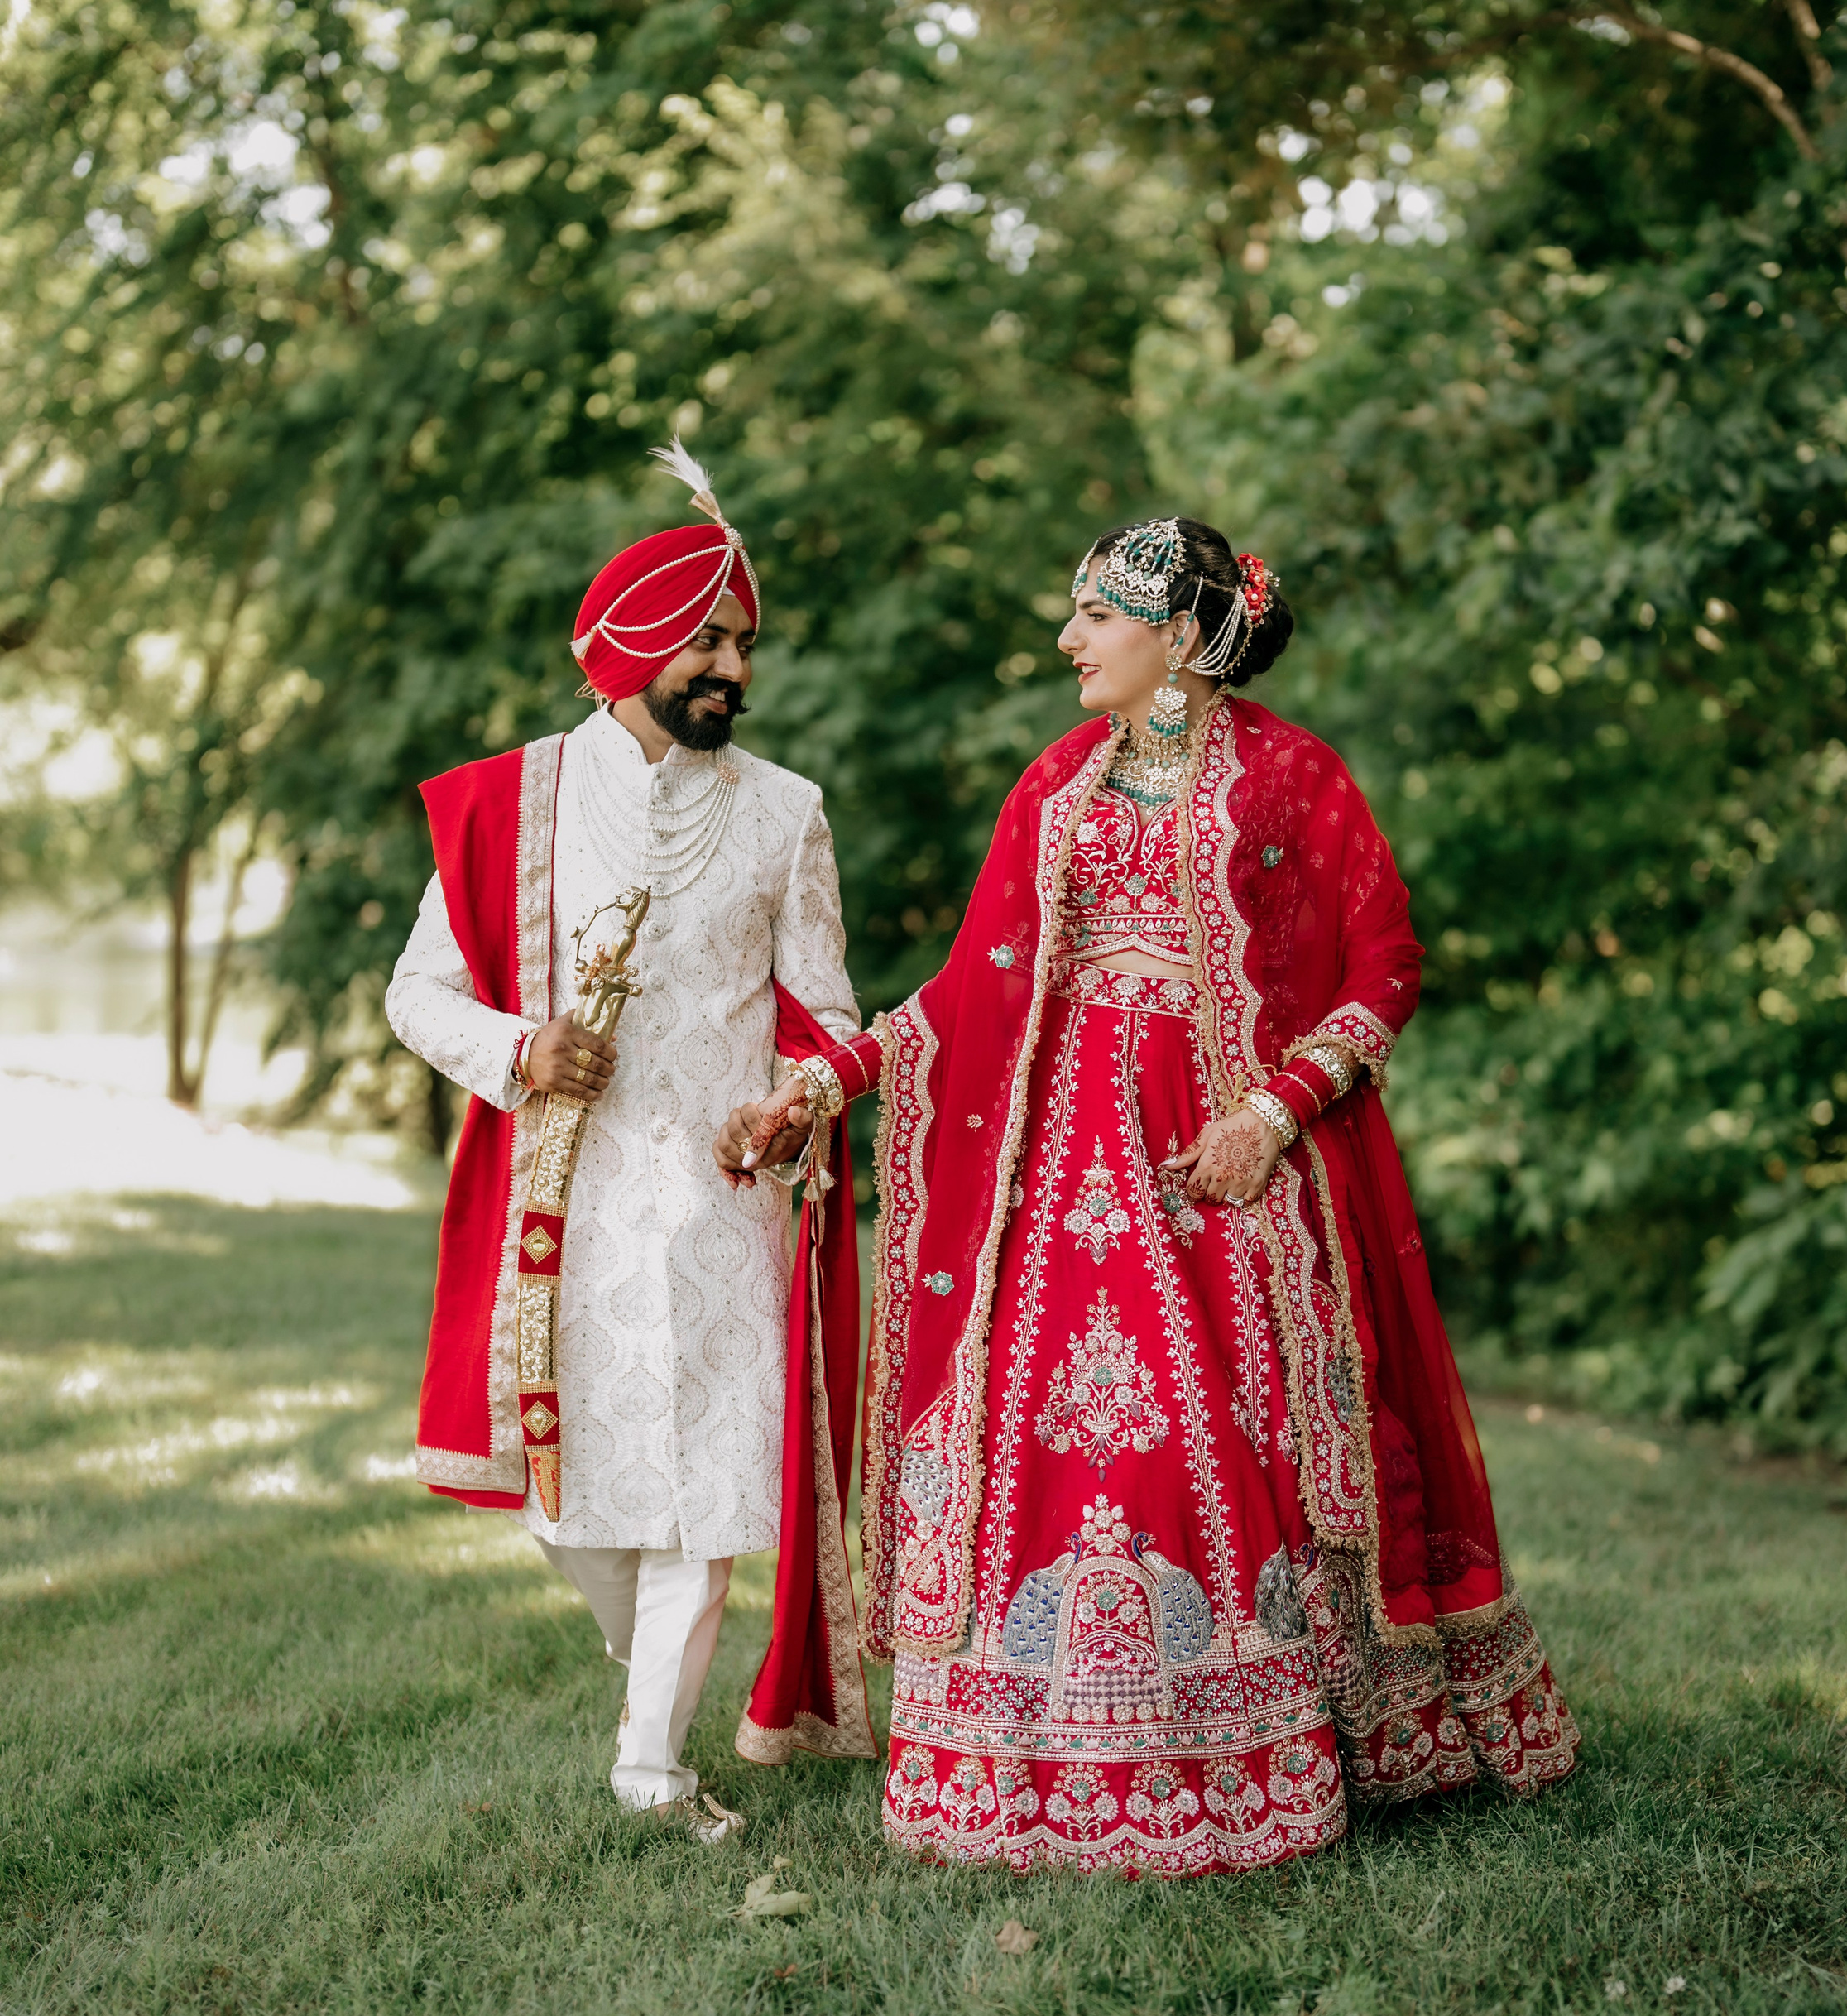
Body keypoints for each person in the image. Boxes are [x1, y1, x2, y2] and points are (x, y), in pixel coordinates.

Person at [720, 517, 1579, 1876]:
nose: (1069, 640)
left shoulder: (1295, 779)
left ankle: (1271, 1742)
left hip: (1224, 1168)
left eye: (1095, 618)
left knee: (1238, 1436)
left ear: (1180, 636)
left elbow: (1386, 969)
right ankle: (1022, 1753)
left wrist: (1271, 1114)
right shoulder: (1058, 781)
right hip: (1061, 1176)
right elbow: (967, 997)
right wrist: (826, 1086)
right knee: (1058, 1446)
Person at [386, 439, 874, 1845]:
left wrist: (794, 1099)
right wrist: (521, 1051)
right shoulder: (510, 802)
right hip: (570, 1203)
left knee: (705, 1497)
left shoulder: (787, 813)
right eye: (708, 639)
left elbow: (824, 1009)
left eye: (743, 644)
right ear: (633, 644)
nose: (732, 668)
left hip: (725, 1206)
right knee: (576, 1505)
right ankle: (644, 1659)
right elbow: (416, 995)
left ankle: (652, 1761)